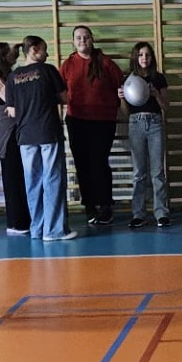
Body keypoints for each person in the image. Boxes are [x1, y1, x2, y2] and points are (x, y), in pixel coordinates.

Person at [6, 37, 76, 242]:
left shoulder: (13, 77)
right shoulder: (48, 70)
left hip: (25, 135)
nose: (47, 54)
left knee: (32, 182)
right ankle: (53, 230)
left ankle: (37, 229)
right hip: (47, 132)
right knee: (52, 179)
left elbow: (12, 111)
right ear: (34, 50)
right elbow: (65, 98)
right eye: (45, 50)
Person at [60, 24, 124, 226]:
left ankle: (105, 205)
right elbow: (59, 92)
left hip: (103, 121)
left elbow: (120, 88)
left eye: (86, 37)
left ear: (92, 39)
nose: (82, 41)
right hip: (77, 120)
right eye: (78, 37)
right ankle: (89, 205)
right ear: (73, 41)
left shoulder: (106, 63)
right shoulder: (67, 65)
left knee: (99, 163)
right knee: (82, 164)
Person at [0, 41, 30, 237]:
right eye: (9, 52)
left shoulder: (10, 75)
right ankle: (16, 222)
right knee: (13, 178)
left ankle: (22, 219)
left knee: (19, 176)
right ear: (2, 58)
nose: (13, 54)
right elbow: (13, 103)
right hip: (8, 131)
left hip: (15, 129)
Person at [123, 41, 170, 229]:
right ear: (135, 57)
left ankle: (161, 212)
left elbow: (166, 106)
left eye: (148, 55)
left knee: (157, 171)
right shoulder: (128, 80)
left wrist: (156, 94)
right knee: (139, 172)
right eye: (141, 55)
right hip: (136, 123)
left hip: (155, 123)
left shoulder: (158, 78)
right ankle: (138, 214)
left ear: (152, 58)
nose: (144, 58)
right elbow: (125, 112)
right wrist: (121, 98)